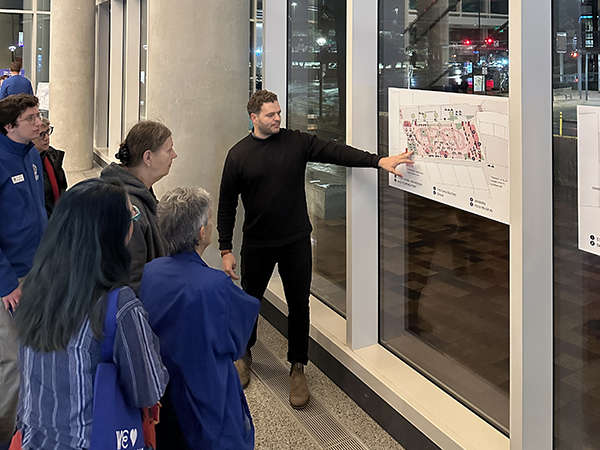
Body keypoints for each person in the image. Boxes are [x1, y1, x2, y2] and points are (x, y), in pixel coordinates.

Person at [217, 89, 413, 409]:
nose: (278, 118)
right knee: (249, 302)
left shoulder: (296, 142)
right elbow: (226, 205)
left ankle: (298, 367)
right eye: (270, 115)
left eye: (279, 112)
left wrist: (379, 161)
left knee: (299, 305)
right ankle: (243, 353)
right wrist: (226, 248)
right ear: (254, 118)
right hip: (257, 243)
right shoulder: (238, 155)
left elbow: (338, 152)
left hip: (295, 240)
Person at [14, 178, 169, 450]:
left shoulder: (33, 292)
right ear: (116, 233)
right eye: (130, 215)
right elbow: (149, 389)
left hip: (33, 441)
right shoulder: (119, 306)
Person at [140, 187, 260, 450]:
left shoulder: (151, 271)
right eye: (209, 220)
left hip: (164, 393)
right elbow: (238, 342)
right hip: (206, 394)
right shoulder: (215, 285)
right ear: (201, 233)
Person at [0, 93, 46, 450]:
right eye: (31, 118)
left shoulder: (31, 155)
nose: (39, 122)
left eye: (38, 115)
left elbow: (39, 214)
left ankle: (28, 430)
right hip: (11, 281)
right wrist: (5, 284)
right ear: (9, 126)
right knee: (13, 364)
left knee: (36, 355)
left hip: (38, 272)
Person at [100, 120, 177, 293]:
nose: (174, 155)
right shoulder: (128, 208)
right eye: (169, 149)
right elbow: (131, 280)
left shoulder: (142, 191)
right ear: (148, 157)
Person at [32, 117, 67, 218]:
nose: (47, 137)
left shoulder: (53, 156)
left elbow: (61, 188)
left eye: (48, 131)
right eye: (41, 135)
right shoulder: (25, 163)